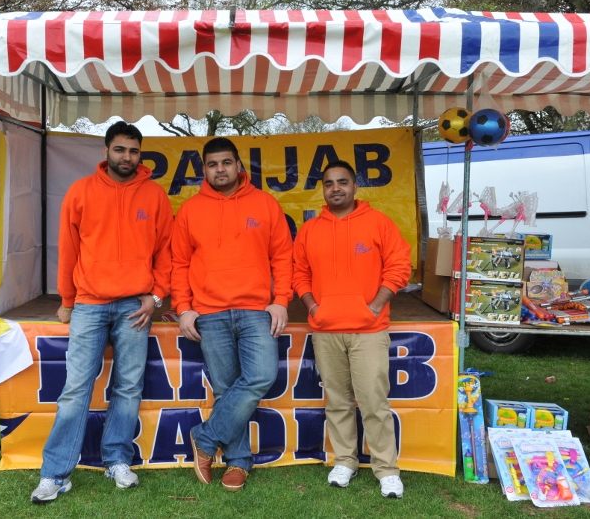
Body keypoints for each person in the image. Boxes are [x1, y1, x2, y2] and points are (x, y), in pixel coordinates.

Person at [30, 121, 173, 504]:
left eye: (134, 151)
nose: (127, 157)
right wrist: (67, 300)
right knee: (76, 387)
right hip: (90, 304)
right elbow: (68, 251)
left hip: (135, 306)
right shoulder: (80, 192)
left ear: (140, 155)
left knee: (128, 386)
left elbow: (166, 251)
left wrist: (156, 296)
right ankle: (55, 473)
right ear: (106, 151)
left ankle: (117, 460)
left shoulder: (155, 195)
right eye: (120, 149)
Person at [171, 137, 293, 492]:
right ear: (204, 169)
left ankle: (206, 438)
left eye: (226, 162)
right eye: (212, 164)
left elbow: (283, 257)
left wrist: (281, 300)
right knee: (225, 389)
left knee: (261, 376)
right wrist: (183, 308)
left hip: (255, 310)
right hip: (209, 312)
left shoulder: (265, 204)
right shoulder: (190, 210)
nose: (220, 169)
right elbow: (179, 264)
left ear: (239, 166)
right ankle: (238, 461)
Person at [292, 160, 411, 499]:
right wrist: (313, 306)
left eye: (342, 182)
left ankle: (386, 469)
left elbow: (400, 266)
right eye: (329, 183)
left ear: (355, 186)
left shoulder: (379, 223)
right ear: (323, 189)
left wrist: (375, 305)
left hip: (368, 330)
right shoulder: (310, 229)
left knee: (373, 402)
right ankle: (345, 461)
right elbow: (299, 273)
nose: (336, 189)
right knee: (338, 402)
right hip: (326, 330)